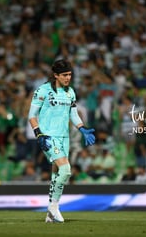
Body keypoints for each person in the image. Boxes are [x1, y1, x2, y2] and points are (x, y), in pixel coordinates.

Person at [28, 59, 95, 223]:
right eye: (65, 75)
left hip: (64, 137)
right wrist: (39, 134)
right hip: (48, 136)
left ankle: (50, 215)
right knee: (65, 170)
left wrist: (82, 128)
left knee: (56, 174)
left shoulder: (70, 92)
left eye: (70, 75)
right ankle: (54, 207)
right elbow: (31, 116)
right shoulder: (42, 91)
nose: (68, 78)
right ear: (56, 75)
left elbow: (73, 114)